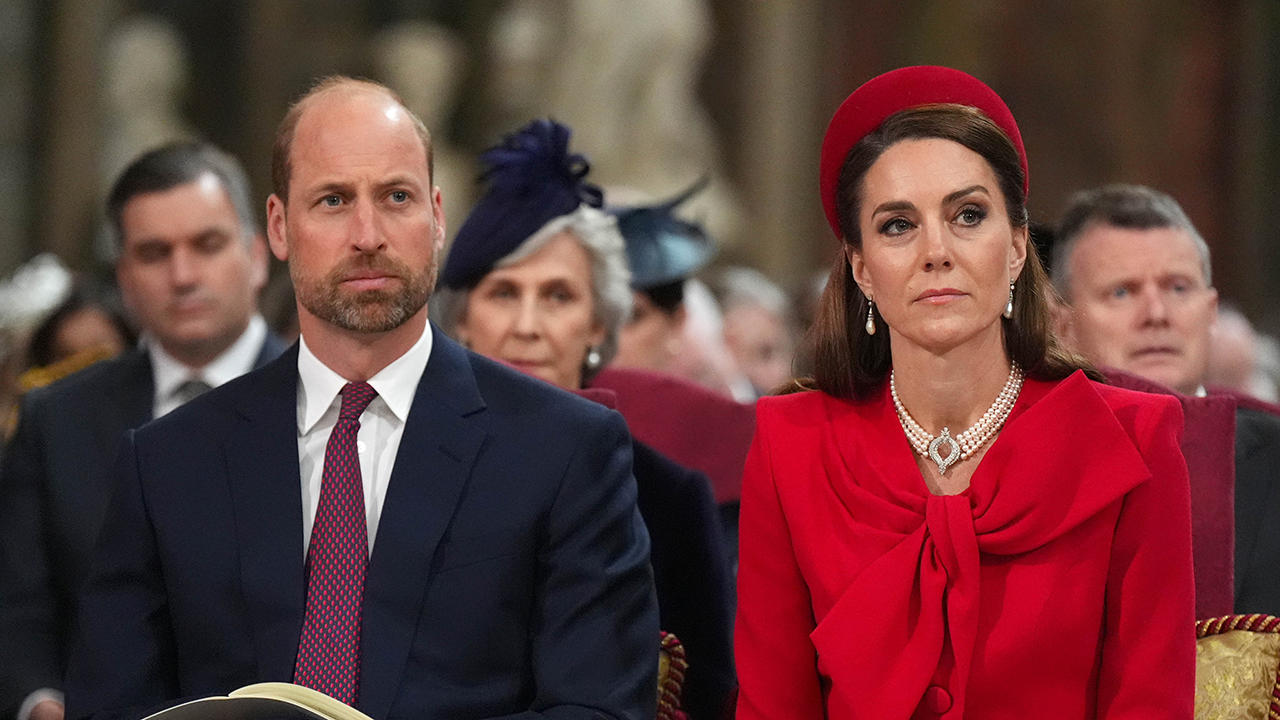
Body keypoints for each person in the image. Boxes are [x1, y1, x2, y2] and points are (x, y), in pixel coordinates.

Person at [63, 78, 656, 720]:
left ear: (435, 217)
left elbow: (599, 709)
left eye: (395, 197)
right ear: (279, 228)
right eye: (334, 200)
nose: (367, 233)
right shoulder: (167, 464)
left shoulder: (564, 449)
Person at [734, 66, 1195, 720]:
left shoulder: (1134, 440)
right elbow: (772, 706)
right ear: (862, 267)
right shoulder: (790, 444)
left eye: (968, 215)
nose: (936, 251)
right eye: (898, 225)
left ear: (1014, 249)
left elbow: (1150, 703)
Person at [433, 118, 735, 720]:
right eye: (502, 293)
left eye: (558, 296)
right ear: (461, 321)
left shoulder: (671, 502)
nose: (527, 326)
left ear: (600, 327)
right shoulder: (398, 468)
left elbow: (709, 701)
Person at [0, 142, 285, 720]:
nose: (183, 276)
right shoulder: (55, 421)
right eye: (154, 253)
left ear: (257, 256)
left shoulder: (334, 404)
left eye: (207, 245)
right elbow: (18, 609)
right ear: (124, 278)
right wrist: (39, 703)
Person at [1052, 183, 1280, 615]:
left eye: (1177, 288)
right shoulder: (1027, 458)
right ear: (1061, 325)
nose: (1156, 314)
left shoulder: (1276, 451)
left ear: (1211, 312)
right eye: (1122, 291)